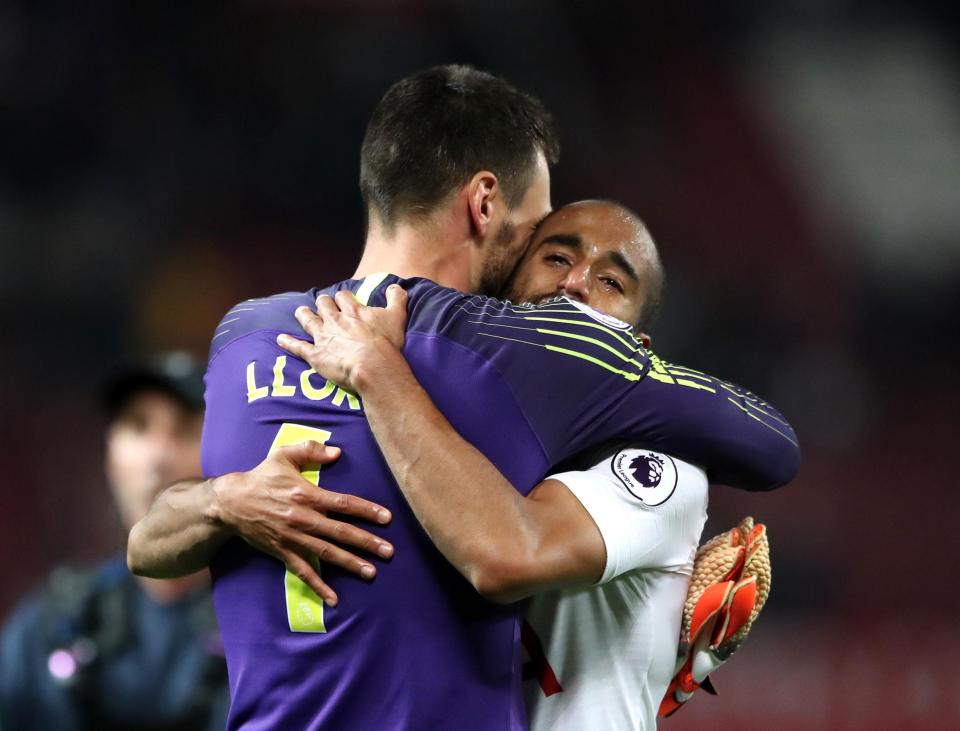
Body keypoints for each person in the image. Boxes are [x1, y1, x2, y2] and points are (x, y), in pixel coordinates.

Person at [128, 65, 799, 730]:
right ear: (484, 203)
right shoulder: (526, 348)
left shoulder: (245, 334)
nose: (570, 288)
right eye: (541, 234)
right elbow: (770, 444)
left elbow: (147, 541)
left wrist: (222, 499)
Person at [0, 352, 229, 731]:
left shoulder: (268, 623)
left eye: (187, 428)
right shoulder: (52, 625)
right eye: (138, 427)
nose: (158, 457)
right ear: (108, 455)